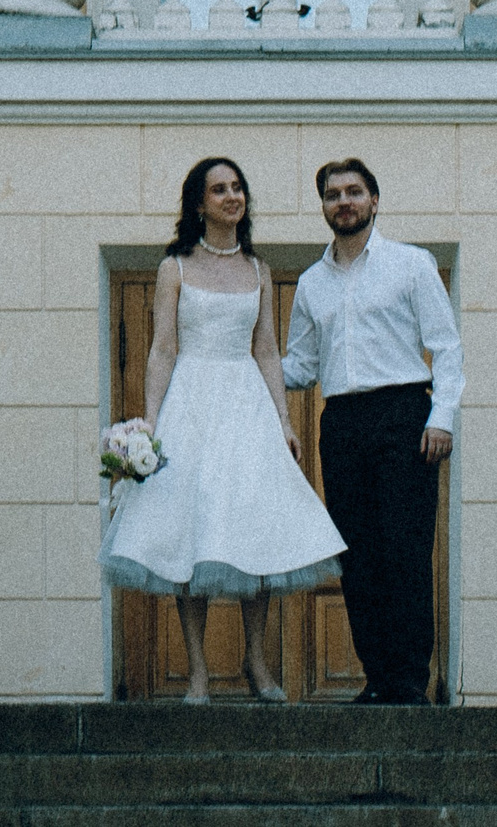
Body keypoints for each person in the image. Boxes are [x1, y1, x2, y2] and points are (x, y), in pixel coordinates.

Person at [99, 157, 344, 703]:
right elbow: (163, 349)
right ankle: (198, 672)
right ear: (199, 203)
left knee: (257, 527)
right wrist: (151, 422)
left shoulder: (258, 269)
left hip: (246, 405)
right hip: (191, 403)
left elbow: (267, 350)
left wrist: (284, 421)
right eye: (219, 189)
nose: (232, 196)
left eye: (238, 187)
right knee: (192, 532)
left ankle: (257, 662)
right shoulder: (175, 268)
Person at [281, 158, 463, 705]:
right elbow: (300, 366)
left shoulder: (411, 265)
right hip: (341, 423)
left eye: (354, 192)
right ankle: (378, 678)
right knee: (356, 555)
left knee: (405, 550)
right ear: (323, 206)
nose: (344, 202)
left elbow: (446, 346)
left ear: (374, 201)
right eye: (333, 194)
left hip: (404, 416)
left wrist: (441, 416)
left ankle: (408, 681)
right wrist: (240, 371)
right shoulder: (311, 284)